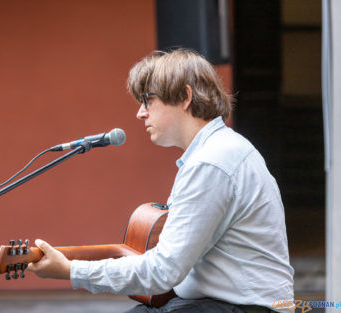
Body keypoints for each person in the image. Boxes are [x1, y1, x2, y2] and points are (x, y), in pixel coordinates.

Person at [27, 49, 294, 313]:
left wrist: (71, 271)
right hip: (209, 303)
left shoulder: (211, 161)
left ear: (185, 97)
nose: (140, 113)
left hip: (245, 307)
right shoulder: (214, 151)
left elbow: (163, 270)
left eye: (147, 100)